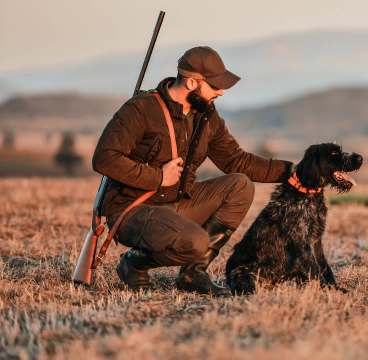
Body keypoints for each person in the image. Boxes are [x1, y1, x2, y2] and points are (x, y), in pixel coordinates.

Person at [92, 46, 293, 295]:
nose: (221, 91)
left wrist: (294, 171)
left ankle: (192, 273)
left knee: (240, 185)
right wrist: (158, 177)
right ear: (191, 83)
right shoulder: (141, 109)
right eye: (214, 85)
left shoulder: (206, 116)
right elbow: (104, 159)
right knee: (196, 242)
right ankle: (134, 263)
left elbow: (237, 161)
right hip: (133, 209)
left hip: (176, 203)